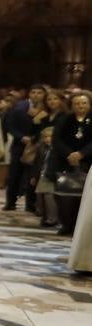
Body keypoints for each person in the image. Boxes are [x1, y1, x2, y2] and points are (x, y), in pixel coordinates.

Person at [51, 91, 92, 235]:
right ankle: (66, 224)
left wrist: (81, 154)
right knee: (63, 196)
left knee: (84, 197)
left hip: (87, 162)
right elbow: (56, 140)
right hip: (65, 161)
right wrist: (69, 154)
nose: (80, 106)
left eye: (84, 103)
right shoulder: (64, 119)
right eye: (77, 103)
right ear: (71, 105)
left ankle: (80, 227)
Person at [2, 84, 46, 211]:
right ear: (29, 94)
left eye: (39, 93)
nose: (36, 95)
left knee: (33, 176)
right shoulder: (19, 107)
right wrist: (21, 137)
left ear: (43, 95)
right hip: (19, 145)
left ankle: (31, 204)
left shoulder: (46, 108)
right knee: (14, 175)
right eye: (33, 92)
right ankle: (10, 202)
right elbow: (9, 125)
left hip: (38, 146)